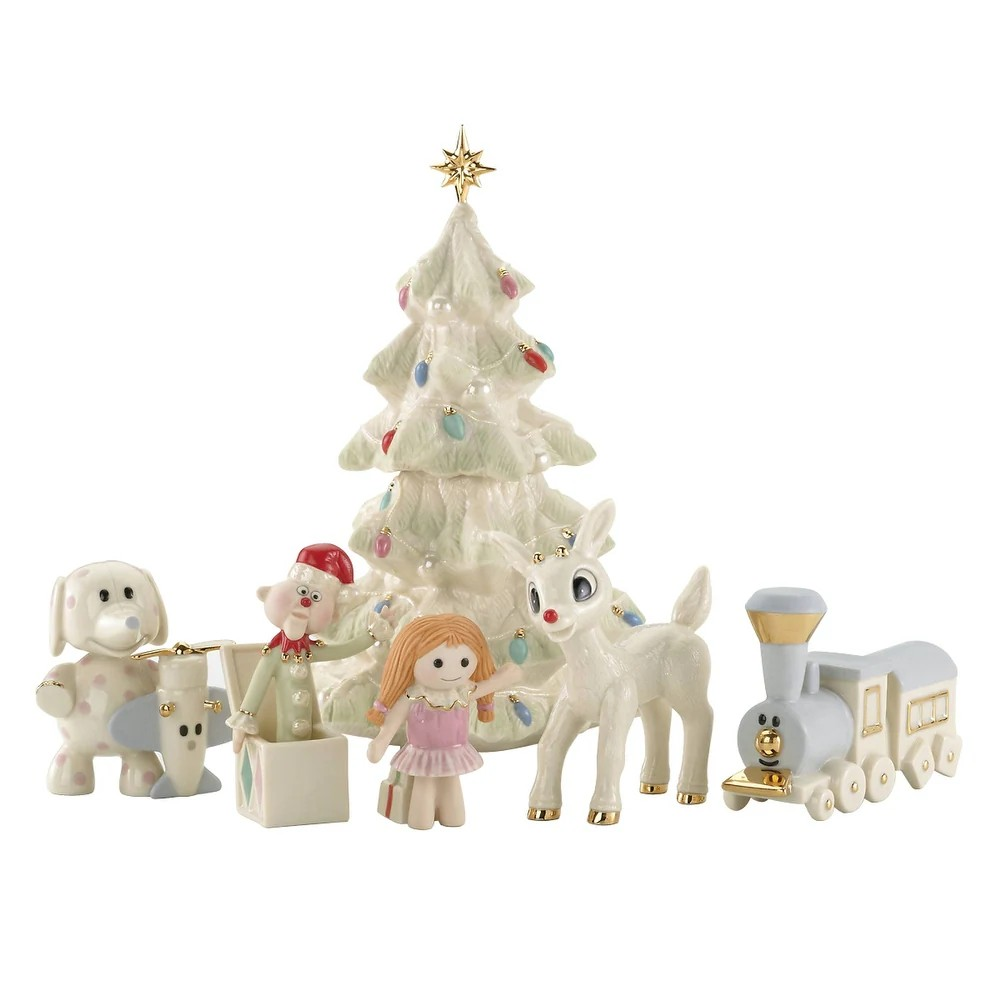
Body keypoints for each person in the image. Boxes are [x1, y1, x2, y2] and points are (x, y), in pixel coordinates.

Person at [366, 614, 521, 828]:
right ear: (409, 660)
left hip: (453, 750)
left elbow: (486, 687)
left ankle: (450, 815)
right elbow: (394, 719)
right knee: (424, 785)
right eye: (438, 663)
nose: (452, 672)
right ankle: (421, 818)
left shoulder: (462, 691)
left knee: (451, 784)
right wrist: (381, 741)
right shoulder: (414, 694)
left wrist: (503, 679)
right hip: (422, 751)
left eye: (464, 662)